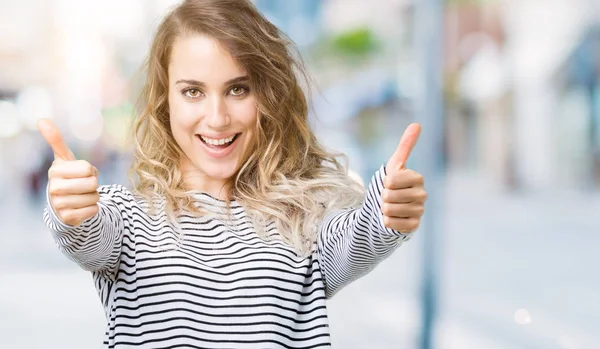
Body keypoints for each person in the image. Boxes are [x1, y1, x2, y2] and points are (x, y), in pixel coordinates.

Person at [38, 0, 427, 347]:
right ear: (165, 101)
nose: (218, 118)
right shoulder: (128, 219)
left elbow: (359, 238)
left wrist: (385, 212)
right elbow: (86, 235)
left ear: (267, 96)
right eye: (193, 91)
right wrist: (70, 211)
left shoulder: (301, 219)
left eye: (238, 89)